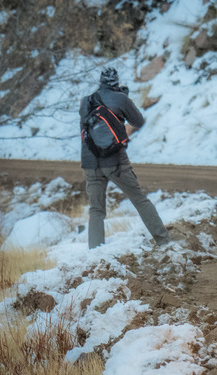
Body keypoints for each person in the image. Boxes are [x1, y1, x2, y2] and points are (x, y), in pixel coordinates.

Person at [79, 67, 170, 249]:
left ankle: (95, 253)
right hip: (115, 162)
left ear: (100, 82)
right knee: (139, 199)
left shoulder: (86, 102)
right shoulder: (121, 99)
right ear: (116, 82)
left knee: (96, 210)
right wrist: (124, 103)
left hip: (90, 163)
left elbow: (87, 131)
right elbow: (138, 121)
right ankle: (163, 240)